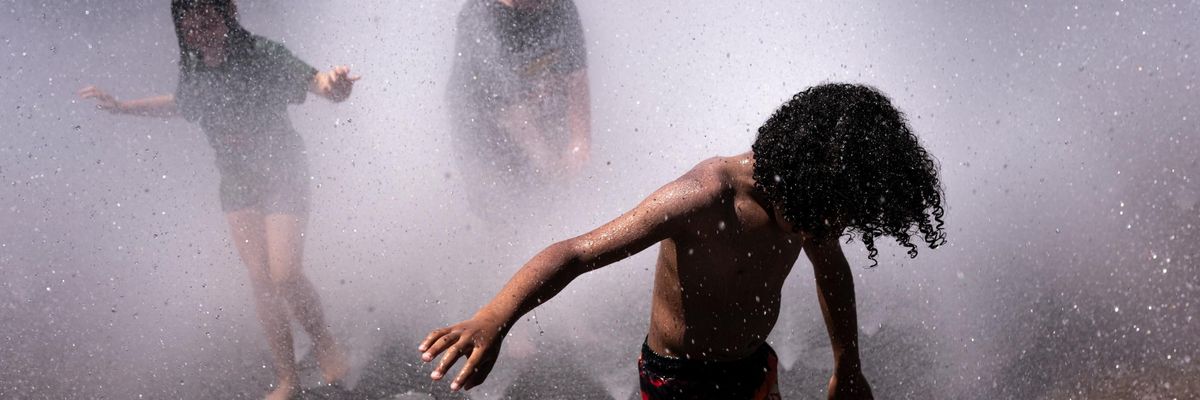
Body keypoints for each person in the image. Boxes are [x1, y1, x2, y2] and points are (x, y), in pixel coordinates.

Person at [419, 83, 947, 399]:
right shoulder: (702, 198)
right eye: (829, 220)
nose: (828, 234)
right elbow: (576, 253)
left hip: (752, 368)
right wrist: (495, 317)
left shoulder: (809, 211)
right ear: (805, 178)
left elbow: (831, 272)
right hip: (676, 381)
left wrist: (848, 367)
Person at [78, 1, 358, 398]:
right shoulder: (194, 66)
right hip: (238, 183)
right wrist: (124, 107)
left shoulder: (262, 54)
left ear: (227, 15)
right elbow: (182, 104)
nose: (198, 29)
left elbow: (315, 82)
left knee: (285, 274)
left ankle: (326, 343)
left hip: (283, 174)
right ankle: (287, 379)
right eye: (189, 22)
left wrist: (334, 86)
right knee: (261, 281)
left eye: (207, 18)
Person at [446, 0, 591, 221]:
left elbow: (576, 79)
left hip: (534, 106)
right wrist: (551, 165)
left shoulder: (560, 6)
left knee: (559, 196)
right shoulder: (480, 17)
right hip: (483, 128)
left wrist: (580, 147)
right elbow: (508, 109)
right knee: (508, 209)